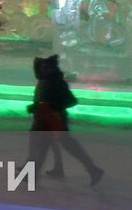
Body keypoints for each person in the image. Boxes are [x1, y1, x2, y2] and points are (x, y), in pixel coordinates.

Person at [27, 55, 104, 186]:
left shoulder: (56, 82)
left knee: (47, 146)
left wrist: (49, 107)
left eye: (46, 67)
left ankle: (92, 169)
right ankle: (91, 168)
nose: (43, 69)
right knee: (50, 146)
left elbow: (70, 100)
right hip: (47, 120)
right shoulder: (47, 81)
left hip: (53, 121)